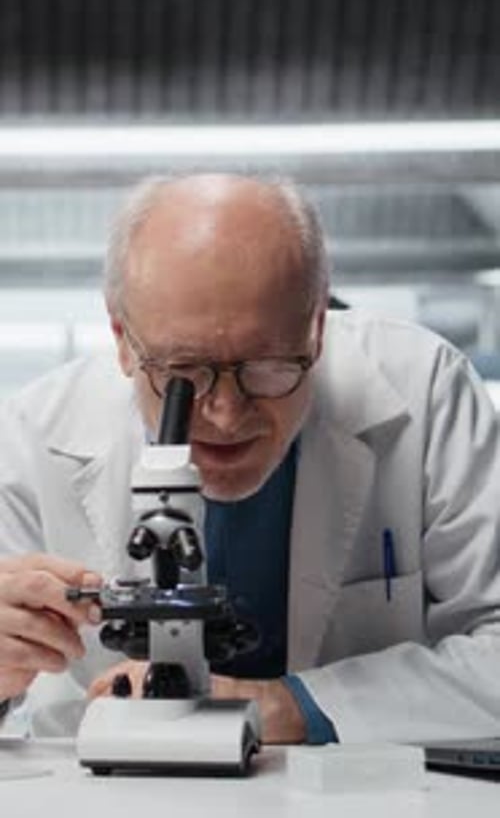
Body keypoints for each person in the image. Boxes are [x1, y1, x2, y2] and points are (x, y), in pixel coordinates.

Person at [1, 172, 500, 744]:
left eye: (267, 368)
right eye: (184, 373)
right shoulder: (32, 436)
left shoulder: (424, 389)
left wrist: (285, 706)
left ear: (316, 328)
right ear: (121, 339)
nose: (226, 413)